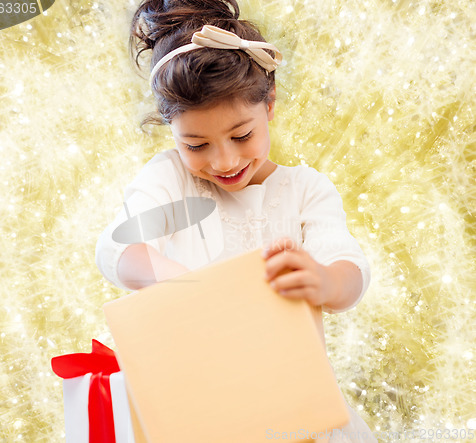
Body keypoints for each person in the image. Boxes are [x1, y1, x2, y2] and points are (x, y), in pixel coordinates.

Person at [96, 0, 377, 441]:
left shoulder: (305, 190)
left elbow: (350, 271)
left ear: (269, 104)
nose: (224, 160)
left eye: (241, 135)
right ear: (171, 132)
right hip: (204, 415)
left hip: (297, 416)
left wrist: (324, 281)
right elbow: (115, 248)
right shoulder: (170, 178)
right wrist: (189, 291)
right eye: (195, 144)